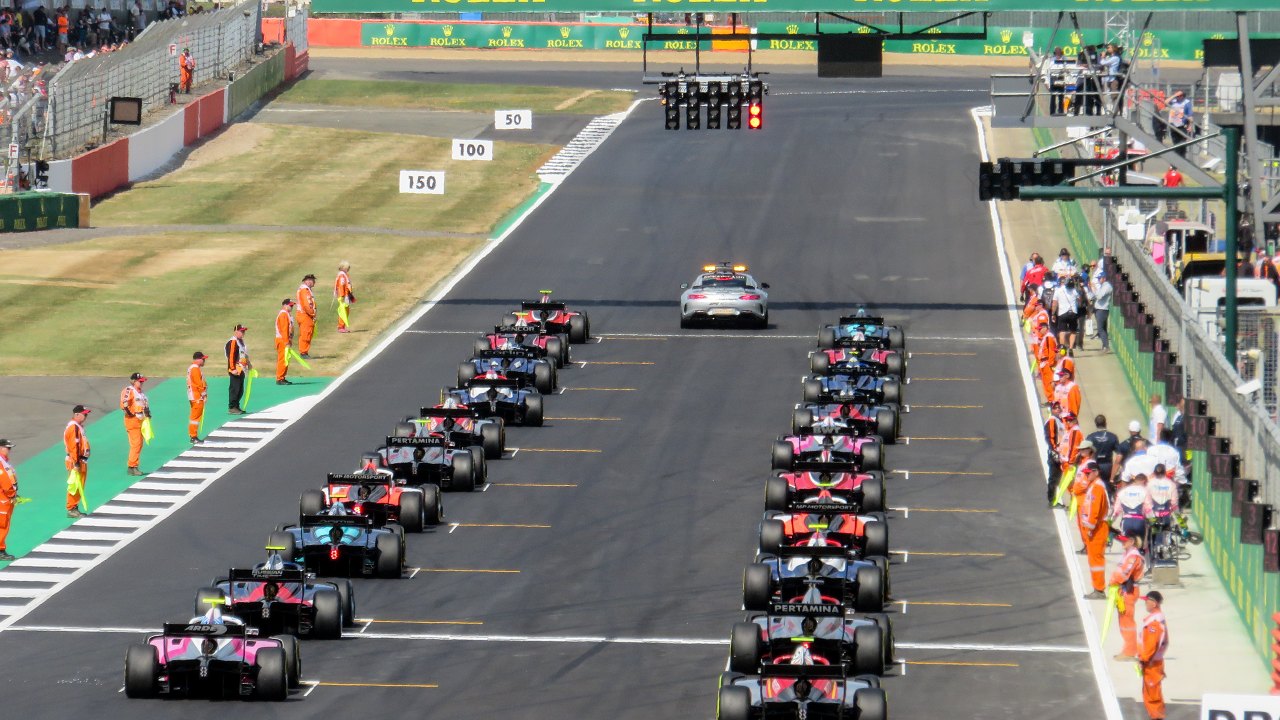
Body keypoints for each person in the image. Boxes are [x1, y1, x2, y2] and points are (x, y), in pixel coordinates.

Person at [1110, 533, 1147, 661]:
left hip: (1129, 591)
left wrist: (1113, 582)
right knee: (1123, 621)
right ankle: (1126, 650)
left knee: (1127, 622)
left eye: (1124, 541)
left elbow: (1124, 573)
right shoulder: (1128, 554)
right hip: (1123, 590)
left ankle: (1130, 652)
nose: (1122, 542)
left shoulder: (1133, 557)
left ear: (1131, 541)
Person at [1078, 461, 1111, 598]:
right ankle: (1097, 588)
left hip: (1097, 528)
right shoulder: (1094, 486)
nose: (1086, 475)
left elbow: (1094, 510)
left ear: (1096, 472)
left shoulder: (1097, 488)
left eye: (1088, 473)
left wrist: (1090, 528)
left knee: (1096, 560)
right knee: (1093, 559)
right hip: (1096, 527)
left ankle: (1099, 589)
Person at [1138, 591, 1169, 719]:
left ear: (1154, 603)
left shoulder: (1154, 623)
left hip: (1152, 664)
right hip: (1153, 662)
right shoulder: (1156, 619)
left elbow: (1151, 644)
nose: (1145, 603)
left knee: (1153, 695)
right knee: (1151, 693)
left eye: (1147, 601)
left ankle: (1157, 717)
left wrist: (1143, 659)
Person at [119, 372, 150, 477]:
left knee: (139, 444)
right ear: (134, 381)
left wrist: (147, 414)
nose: (142, 383)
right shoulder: (129, 390)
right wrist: (131, 414)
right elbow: (124, 404)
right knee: (136, 444)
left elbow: (144, 405)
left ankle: (133, 466)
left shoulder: (141, 393)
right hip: (132, 421)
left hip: (141, 421)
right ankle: (132, 467)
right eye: (140, 381)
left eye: (142, 381)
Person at [64, 404, 91, 518]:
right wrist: (76, 463)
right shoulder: (73, 427)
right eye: (84, 414)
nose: (86, 417)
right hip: (76, 461)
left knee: (79, 484)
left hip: (80, 461)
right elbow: (73, 446)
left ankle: (74, 507)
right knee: (75, 485)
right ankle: (71, 508)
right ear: (77, 414)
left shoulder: (77, 426)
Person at [1086, 415, 1120, 492]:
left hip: (1094, 465)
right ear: (1105, 423)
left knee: (1094, 486)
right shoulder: (1112, 437)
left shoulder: (1090, 437)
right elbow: (1119, 453)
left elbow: (1085, 452)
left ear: (1096, 424)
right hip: (1108, 465)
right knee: (1107, 486)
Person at [1113, 473, 1151, 541]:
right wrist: (1153, 521)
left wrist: (1109, 522)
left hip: (1126, 521)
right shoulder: (1144, 491)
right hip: (1139, 521)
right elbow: (1148, 509)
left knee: (1127, 543)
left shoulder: (1122, 492)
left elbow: (1116, 511)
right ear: (1144, 482)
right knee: (1140, 544)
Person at [1051, 275, 1082, 355]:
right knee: (1073, 331)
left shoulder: (1058, 291)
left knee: (1062, 331)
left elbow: (1054, 303)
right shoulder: (1074, 291)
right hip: (1073, 312)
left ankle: (1063, 348)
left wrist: (1053, 314)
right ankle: (1071, 348)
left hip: (1062, 313)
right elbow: (1080, 300)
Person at [225, 324, 250, 415]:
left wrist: (249, 363)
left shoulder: (241, 342)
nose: (243, 333)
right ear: (236, 331)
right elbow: (231, 356)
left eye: (244, 331)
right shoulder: (233, 342)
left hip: (241, 369)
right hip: (235, 369)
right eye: (241, 331)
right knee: (235, 389)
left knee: (240, 389)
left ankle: (236, 406)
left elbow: (244, 354)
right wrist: (232, 369)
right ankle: (232, 407)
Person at [0, 439, 17, 561]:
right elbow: (5, 482)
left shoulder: (4, 461)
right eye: (8, 448)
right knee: (2, 525)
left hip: (5, 498)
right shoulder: (1, 463)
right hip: (3, 499)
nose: (9, 450)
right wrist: (12, 495)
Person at [187, 351, 208, 444]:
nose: (204, 361)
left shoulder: (193, 368)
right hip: (197, 396)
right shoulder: (195, 369)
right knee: (195, 418)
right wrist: (204, 395)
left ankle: (193, 435)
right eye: (203, 359)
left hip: (194, 396)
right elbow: (198, 384)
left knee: (194, 417)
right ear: (198, 359)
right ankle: (193, 436)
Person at [275, 298, 295, 386]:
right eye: (290, 305)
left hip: (284, 339)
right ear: (285, 305)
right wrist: (287, 342)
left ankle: (282, 377)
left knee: (286, 359)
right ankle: (280, 378)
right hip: (282, 340)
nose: (291, 307)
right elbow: (284, 329)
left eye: (292, 305)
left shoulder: (286, 314)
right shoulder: (283, 314)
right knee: (283, 359)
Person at [296, 274, 317, 358]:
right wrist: (312, 313)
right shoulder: (305, 290)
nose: (314, 282)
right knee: (306, 334)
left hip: (304, 314)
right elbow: (306, 304)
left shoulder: (304, 289)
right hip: (305, 315)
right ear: (308, 281)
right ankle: (303, 353)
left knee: (307, 333)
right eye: (313, 280)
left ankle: (304, 352)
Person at [1091, 271, 1113, 352]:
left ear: (1104, 278)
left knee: (1100, 329)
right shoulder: (1103, 286)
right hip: (1100, 309)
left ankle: (1106, 346)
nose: (1098, 280)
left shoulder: (1107, 286)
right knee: (1103, 328)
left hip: (1102, 309)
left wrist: (1094, 289)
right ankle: (1105, 346)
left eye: (1099, 278)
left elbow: (1099, 296)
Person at [334, 261, 355, 333]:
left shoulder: (343, 275)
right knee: (343, 311)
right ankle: (341, 327)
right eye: (347, 267)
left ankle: (342, 326)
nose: (348, 269)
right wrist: (342, 296)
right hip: (343, 296)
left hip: (345, 295)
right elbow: (341, 286)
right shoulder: (342, 276)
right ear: (343, 267)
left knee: (346, 311)